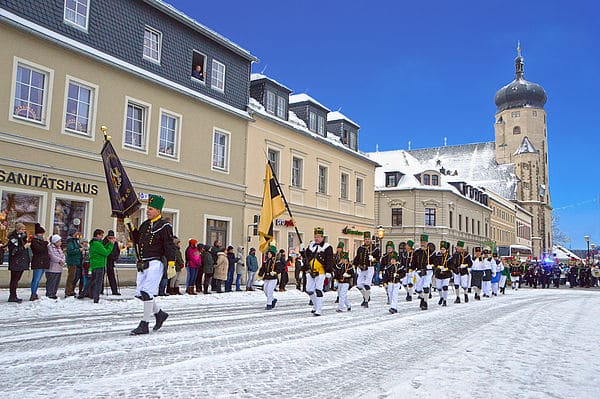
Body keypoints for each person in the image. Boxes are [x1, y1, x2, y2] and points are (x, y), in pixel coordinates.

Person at [125, 194, 176, 335]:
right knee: (141, 293)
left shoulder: (164, 226)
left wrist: (171, 263)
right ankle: (159, 314)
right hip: (143, 263)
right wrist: (129, 225)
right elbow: (136, 239)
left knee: (147, 292)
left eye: (151, 209)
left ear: (158, 211)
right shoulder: (145, 225)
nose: (147, 211)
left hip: (155, 262)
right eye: (147, 208)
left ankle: (144, 324)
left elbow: (169, 245)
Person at [303, 227, 334, 316]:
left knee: (318, 289)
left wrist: (328, 270)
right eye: (315, 236)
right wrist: (302, 250)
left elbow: (329, 259)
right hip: (310, 271)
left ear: (322, 237)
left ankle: (318, 310)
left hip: (321, 272)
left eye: (318, 237)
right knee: (309, 290)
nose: (316, 238)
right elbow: (306, 256)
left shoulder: (327, 247)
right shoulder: (311, 246)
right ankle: (316, 305)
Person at [353, 231, 380, 308]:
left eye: (368, 239)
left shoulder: (374, 249)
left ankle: (366, 301)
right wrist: (355, 265)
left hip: (370, 268)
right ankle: (366, 296)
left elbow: (378, 259)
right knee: (359, 285)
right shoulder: (360, 248)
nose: (367, 240)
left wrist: (374, 259)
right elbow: (357, 258)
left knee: (367, 284)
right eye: (365, 239)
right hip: (361, 268)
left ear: (370, 240)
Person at [89, 229, 116, 304]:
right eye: (101, 235)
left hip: (97, 264)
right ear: (97, 235)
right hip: (99, 264)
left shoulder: (97, 243)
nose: (102, 237)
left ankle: (84, 294)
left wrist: (109, 243)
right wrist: (111, 245)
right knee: (98, 283)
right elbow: (105, 252)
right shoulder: (96, 243)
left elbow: (103, 248)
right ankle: (95, 298)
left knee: (92, 282)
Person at [6, 222, 31, 303]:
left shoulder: (22, 237)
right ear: (18, 229)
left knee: (17, 279)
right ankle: (12, 296)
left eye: (24, 229)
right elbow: (14, 250)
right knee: (14, 279)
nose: (24, 231)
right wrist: (24, 247)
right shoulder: (13, 238)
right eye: (22, 229)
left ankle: (14, 295)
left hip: (21, 261)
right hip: (16, 261)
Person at [413, 234, 434, 310]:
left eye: (424, 242)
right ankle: (422, 298)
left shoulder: (431, 252)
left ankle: (425, 302)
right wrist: (411, 268)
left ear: (427, 242)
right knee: (418, 289)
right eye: (422, 242)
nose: (422, 243)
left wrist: (431, 266)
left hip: (428, 271)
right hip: (419, 271)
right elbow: (414, 262)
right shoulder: (417, 252)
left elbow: (435, 262)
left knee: (425, 286)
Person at [30, 223, 49, 301]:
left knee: (38, 279)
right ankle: (33, 293)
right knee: (36, 279)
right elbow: (39, 250)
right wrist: (46, 243)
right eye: (41, 233)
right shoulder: (34, 241)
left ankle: (34, 293)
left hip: (43, 262)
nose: (42, 235)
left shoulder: (40, 241)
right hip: (38, 262)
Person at [432, 241, 452, 307]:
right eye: (441, 249)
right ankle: (441, 297)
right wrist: (438, 267)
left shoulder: (449, 257)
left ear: (446, 250)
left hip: (446, 274)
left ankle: (445, 300)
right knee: (439, 287)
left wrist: (447, 268)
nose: (442, 250)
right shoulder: (438, 256)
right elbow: (435, 263)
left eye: (443, 249)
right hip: (439, 274)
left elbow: (452, 265)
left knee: (445, 286)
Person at [46, 234, 65, 300]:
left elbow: (62, 255)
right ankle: (49, 293)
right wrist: (60, 260)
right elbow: (52, 256)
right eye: (59, 241)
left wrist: (63, 260)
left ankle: (54, 293)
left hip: (59, 268)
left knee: (56, 282)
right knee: (52, 281)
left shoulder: (59, 248)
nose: (60, 242)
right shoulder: (50, 247)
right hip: (52, 268)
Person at [64, 228, 82, 297]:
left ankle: (71, 290)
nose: (77, 234)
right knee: (71, 277)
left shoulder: (74, 241)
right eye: (76, 232)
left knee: (74, 277)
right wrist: (79, 250)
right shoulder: (70, 241)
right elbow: (71, 251)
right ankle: (68, 291)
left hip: (76, 261)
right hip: (72, 262)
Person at [103, 230, 121, 295]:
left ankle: (114, 291)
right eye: (110, 237)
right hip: (104, 261)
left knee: (112, 276)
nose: (111, 239)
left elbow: (117, 251)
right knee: (102, 276)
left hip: (111, 262)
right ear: (107, 237)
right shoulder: (104, 242)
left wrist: (115, 257)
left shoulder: (115, 243)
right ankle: (100, 290)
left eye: (112, 237)